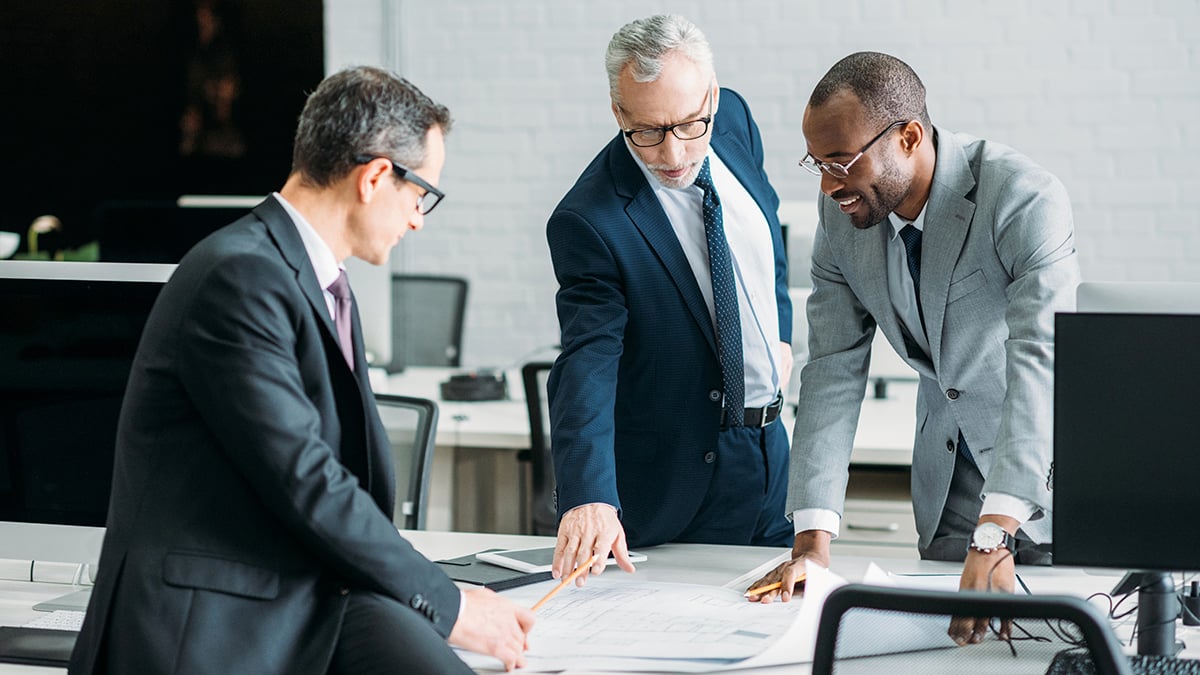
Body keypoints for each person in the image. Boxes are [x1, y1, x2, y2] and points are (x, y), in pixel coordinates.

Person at [69, 66, 533, 674]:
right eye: (422, 195)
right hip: (213, 625)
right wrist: (448, 607)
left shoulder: (320, 282)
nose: (419, 218)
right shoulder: (238, 277)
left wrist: (442, 598)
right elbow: (306, 478)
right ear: (374, 178)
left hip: (308, 595)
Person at [747, 52, 1080, 643]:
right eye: (817, 164)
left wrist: (996, 529)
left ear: (908, 137)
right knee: (948, 653)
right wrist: (812, 542)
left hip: (1048, 479)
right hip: (946, 485)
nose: (828, 185)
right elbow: (831, 370)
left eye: (842, 162)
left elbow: (1040, 357)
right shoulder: (842, 220)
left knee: (1057, 647)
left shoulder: (1022, 196)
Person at [546, 14, 794, 584]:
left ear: (710, 97)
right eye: (648, 131)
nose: (674, 153)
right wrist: (588, 495)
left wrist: (777, 335)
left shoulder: (733, 120)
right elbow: (587, 359)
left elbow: (764, 235)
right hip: (684, 480)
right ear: (618, 113)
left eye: (688, 125)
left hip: (772, 453)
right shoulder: (591, 219)